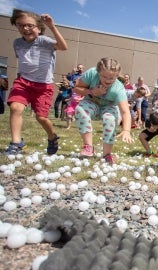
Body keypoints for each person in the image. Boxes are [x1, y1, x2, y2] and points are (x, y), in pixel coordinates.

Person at [4, 9, 68, 155]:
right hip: (23, 82)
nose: (25, 28)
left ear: (39, 28)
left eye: (29, 25)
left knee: (41, 117)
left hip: (43, 86)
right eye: (20, 25)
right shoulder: (17, 43)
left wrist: (52, 26)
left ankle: (52, 136)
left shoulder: (44, 41)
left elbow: (63, 47)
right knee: (15, 108)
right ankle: (16, 143)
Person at [73, 58, 134, 164]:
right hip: (91, 103)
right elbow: (76, 88)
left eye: (111, 78)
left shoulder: (118, 89)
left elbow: (125, 112)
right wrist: (92, 91)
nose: (107, 80)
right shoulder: (91, 74)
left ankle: (107, 154)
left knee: (110, 119)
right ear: (98, 72)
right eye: (104, 76)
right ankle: (88, 147)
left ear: (117, 76)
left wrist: (126, 130)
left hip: (109, 107)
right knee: (80, 110)